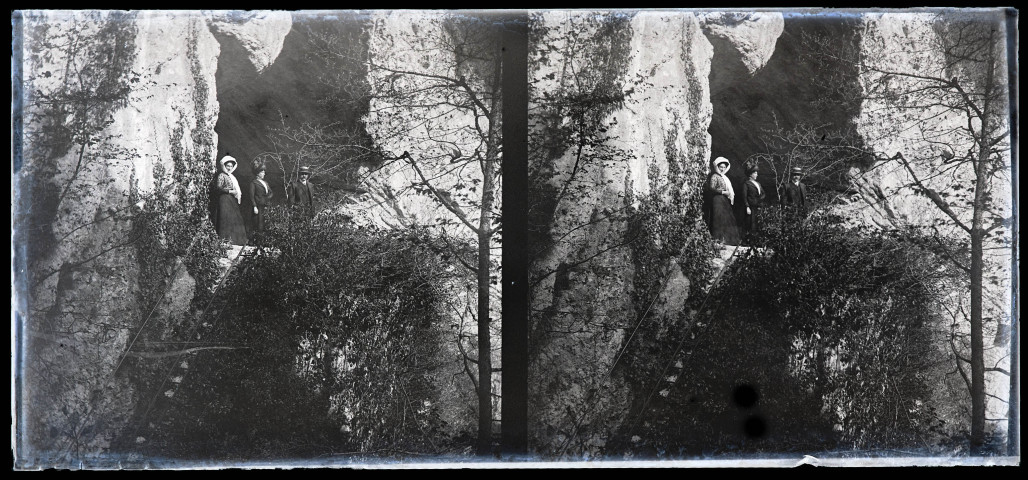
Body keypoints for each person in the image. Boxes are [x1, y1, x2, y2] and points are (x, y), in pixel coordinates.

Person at [211, 155, 248, 246]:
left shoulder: (231, 176)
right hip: (224, 199)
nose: (229, 168)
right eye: (228, 166)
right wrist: (230, 191)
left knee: (234, 219)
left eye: (231, 166)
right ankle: (225, 239)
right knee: (225, 218)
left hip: (230, 200)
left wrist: (234, 193)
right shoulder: (221, 175)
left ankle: (234, 240)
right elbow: (218, 188)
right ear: (224, 166)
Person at [705, 157, 740, 245]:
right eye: (721, 167)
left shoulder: (724, 177)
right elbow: (711, 188)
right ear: (717, 167)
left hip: (723, 200)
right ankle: (718, 239)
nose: (722, 169)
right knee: (718, 218)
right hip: (717, 199)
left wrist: (727, 194)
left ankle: (727, 240)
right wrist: (723, 192)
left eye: (724, 167)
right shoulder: (714, 176)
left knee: (726, 219)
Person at [248, 160, 273, 238]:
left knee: (265, 223)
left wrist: (267, 198)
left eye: (264, 172)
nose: (264, 174)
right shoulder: (254, 183)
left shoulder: (266, 183)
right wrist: (254, 206)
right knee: (257, 223)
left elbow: (271, 192)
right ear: (257, 173)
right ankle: (255, 240)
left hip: (266, 205)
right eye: (262, 172)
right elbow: (251, 196)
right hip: (258, 206)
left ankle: (263, 240)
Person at [743, 164, 766, 243]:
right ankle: (748, 241)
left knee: (757, 223)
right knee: (750, 223)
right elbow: (744, 196)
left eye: (757, 173)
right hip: (751, 207)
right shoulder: (747, 184)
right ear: (750, 174)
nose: (757, 175)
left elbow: (763, 193)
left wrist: (760, 199)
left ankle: (756, 241)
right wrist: (747, 206)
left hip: (758, 206)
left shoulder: (758, 184)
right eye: (755, 173)